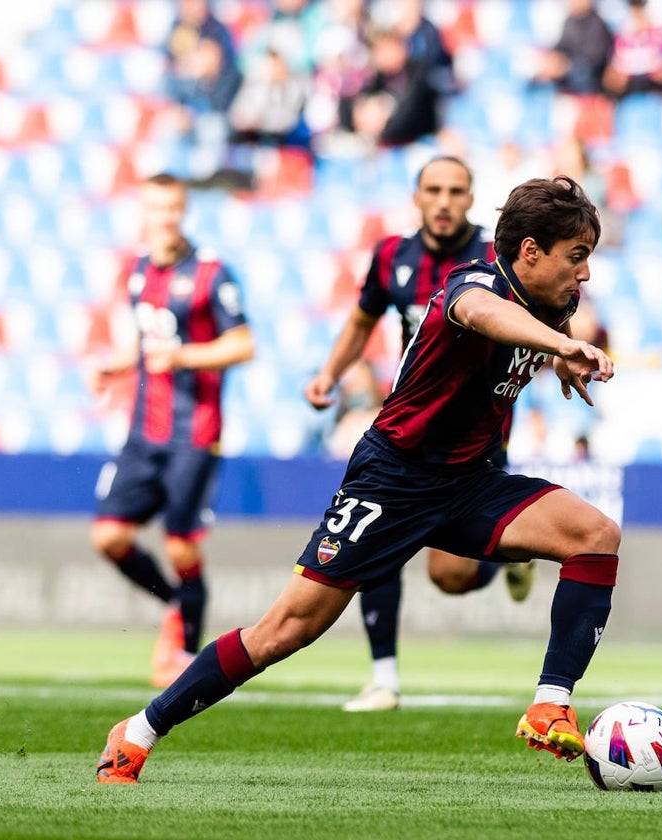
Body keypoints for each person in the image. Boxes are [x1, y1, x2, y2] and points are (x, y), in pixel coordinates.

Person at [96, 175, 619, 783]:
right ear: (530, 251)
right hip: (393, 479)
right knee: (285, 632)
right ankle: (138, 730)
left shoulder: (558, 302)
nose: (584, 275)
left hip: (471, 479)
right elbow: (481, 313)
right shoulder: (473, 284)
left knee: (594, 534)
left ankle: (550, 703)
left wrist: (559, 355)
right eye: (576, 257)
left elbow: (536, 329)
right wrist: (558, 343)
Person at [303, 155, 537, 712]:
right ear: (416, 197)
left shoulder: (496, 258)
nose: (444, 200)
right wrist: (330, 373)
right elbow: (363, 319)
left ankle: (514, 555)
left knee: (450, 578)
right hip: (410, 432)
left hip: (477, 438)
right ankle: (384, 677)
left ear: (471, 197)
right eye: (434, 189)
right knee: (374, 548)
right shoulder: (391, 256)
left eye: (457, 190)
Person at [89, 173, 255, 689]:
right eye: (156, 208)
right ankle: (174, 604)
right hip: (144, 431)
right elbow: (146, 341)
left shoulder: (210, 272)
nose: (165, 217)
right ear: (144, 210)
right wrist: (118, 364)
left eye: (173, 208)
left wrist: (183, 356)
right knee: (109, 536)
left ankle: (183, 649)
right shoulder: (138, 270)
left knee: (182, 545)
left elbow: (243, 344)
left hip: (195, 431)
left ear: (183, 210)